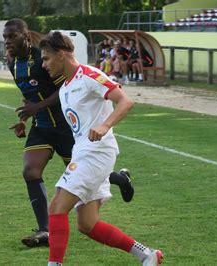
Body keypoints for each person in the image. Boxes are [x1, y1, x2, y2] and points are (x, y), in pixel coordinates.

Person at [2, 18, 135, 248]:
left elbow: (66, 88)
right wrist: (25, 117)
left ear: (25, 36)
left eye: (11, 37)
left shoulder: (45, 57)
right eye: (4, 38)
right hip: (42, 126)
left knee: (80, 176)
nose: (7, 42)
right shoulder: (14, 63)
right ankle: (45, 229)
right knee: (30, 170)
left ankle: (119, 178)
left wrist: (38, 107)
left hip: (65, 126)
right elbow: (31, 94)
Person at [39, 32, 163, 266]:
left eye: (46, 58)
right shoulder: (65, 87)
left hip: (96, 152)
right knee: (87, 224)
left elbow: (125, 100)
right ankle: (147, 255)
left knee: (56, 207)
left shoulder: (89, 75)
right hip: (84, 152)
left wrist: (105, 125)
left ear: (62, 54)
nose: (43, 64)